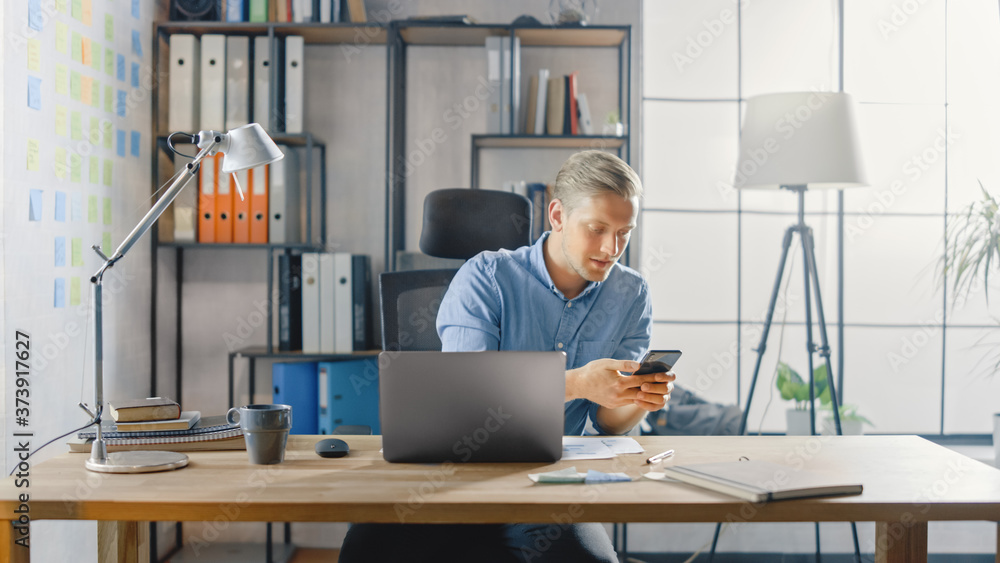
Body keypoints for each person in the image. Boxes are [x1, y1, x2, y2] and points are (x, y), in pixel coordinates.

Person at [339, 150, 675, 563]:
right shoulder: (486, 278)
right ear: (557, 216)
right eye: (597, 229)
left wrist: (636, 399)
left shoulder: (630, 294)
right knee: (369, 548)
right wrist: (577, 382)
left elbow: (606, 424)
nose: (612, 248)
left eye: (625, 232)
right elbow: (467, 399)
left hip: (547, 481)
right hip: (450, 470)